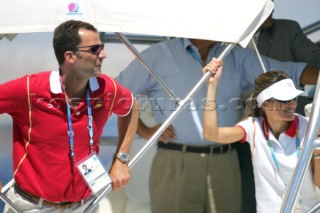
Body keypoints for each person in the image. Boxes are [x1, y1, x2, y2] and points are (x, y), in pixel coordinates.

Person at [116, 37, 319, 213]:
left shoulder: (236, 56)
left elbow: (288, 73)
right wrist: (144, 131)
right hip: (175, 162)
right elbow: (117, 94)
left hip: (225, 162)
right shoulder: (158, 55)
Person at [0, 20, 139, 213]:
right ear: (70, 56)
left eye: (102, 47)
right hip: (31, 208)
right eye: (95, 49)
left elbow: (132, 107)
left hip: (86, 206)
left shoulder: (108, 88)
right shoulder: (29, 89)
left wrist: (121, 159)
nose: (104, 55)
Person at [203, 58, 320, 212]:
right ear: (264, 104)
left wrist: (318, 154)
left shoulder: (310, 128)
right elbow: (212, 134)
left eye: (293, 98)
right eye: (283, 100)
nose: (291, 104)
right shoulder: (253, 127)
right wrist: (212, 86)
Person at [239, 7, 320, 212]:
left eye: (272, 1)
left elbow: (316, 62)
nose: (271, 7)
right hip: (242, 134)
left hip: (286, 135)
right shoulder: (224, 38)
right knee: (246, 198)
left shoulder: (288, 29)